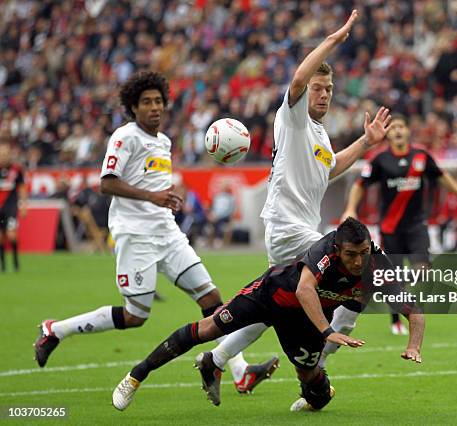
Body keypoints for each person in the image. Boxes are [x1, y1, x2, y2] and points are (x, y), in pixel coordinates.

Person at [33, 71, 278, 393]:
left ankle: (239, 371)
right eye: (147, 102)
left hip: (167, 233)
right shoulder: (125, 136)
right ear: (133, 107)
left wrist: (164, 195)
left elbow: (151, 180)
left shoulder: (163, 141)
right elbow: (106, 182)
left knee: (213, 299)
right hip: (135, 235)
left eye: (159, 101)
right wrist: (153, 196)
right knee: (136, 315)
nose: (155, 107)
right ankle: (56, 329)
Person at [203, 9, 393, 406]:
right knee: (362, 269)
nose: (322, 94)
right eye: (318, 88)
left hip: (300, 229)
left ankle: (217, 359)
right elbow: (297, 79)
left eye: (328, 90)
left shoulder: (319, 135)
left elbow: (331, 167)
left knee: (275, 308)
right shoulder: (292, 119)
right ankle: (317, 369)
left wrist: (365, 142)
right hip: (290, 229)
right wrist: (333, 41)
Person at [112, 218, 425, 412]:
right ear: (338, 248)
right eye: (351, 255)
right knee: (209, 328)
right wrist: (328, 333)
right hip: (270, 295)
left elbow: (414, 310)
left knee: (316, 390)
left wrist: (414, 345)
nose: (358, 262)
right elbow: (304, 289)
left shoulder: (377, 266)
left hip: (303, 319)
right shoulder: (324, 250)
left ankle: (314, 392)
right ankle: (136, 376)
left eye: (363, 254)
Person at [341, 115, 457, 333]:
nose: (397, 130)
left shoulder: (421, 156)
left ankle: (408, 303)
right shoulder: (380, 160)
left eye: (401, 126)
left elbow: (442, 176)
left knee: (422, 270)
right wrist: (350, 208)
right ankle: (395, 320)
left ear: (407, 131)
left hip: (416, 226)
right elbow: (360, 185)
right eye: (393, 127)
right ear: (387, 133)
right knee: (393, 278)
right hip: (389, 228)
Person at [0, 142, 27, 272]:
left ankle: (16, 264)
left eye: (6, 153)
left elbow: (22, 188)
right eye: (2, 154)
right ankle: (3, 266)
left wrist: (23, 205)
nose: (4, 156)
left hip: (10, 207)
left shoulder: (16, 170)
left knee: (11, 236)